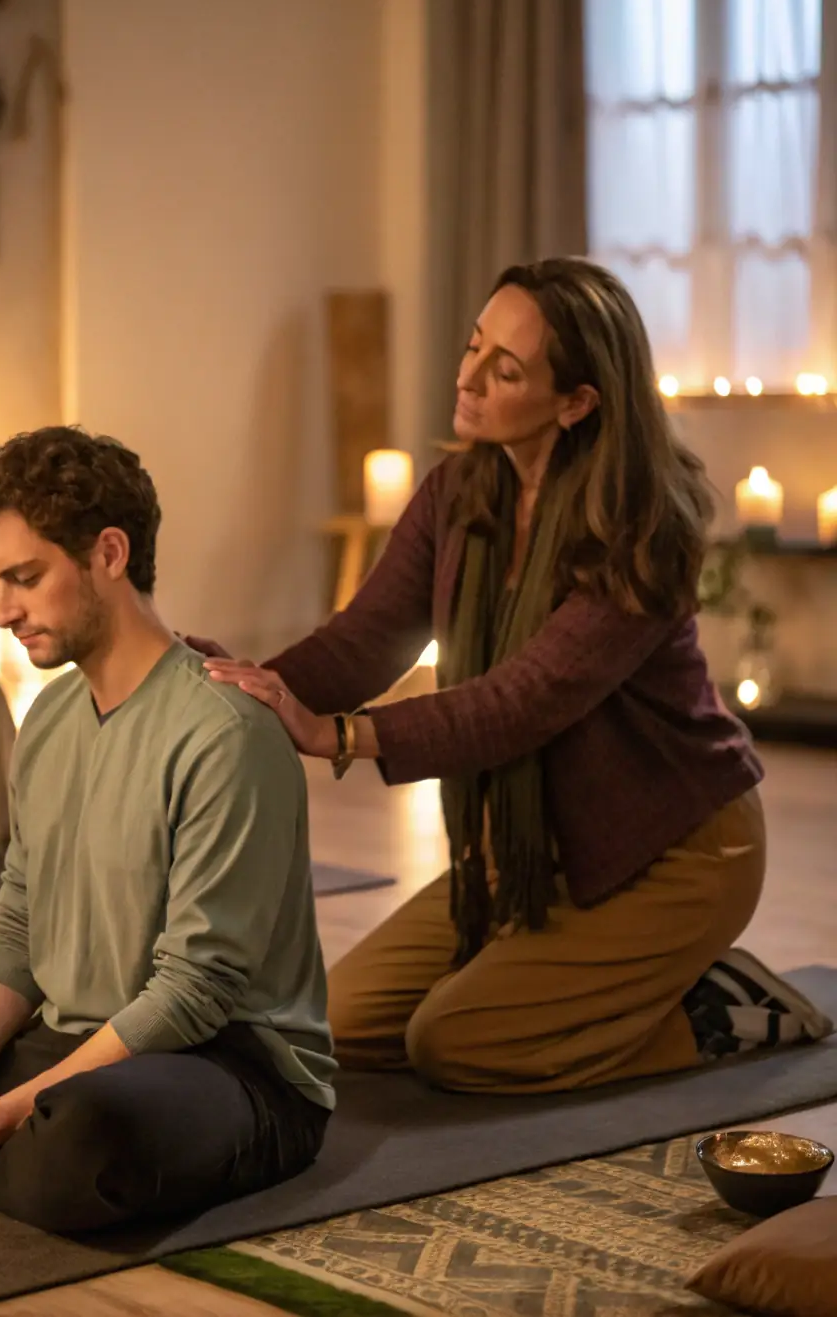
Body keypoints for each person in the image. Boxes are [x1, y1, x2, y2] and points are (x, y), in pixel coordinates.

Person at [196, 257, 833, 1094]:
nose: (467, 378)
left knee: (459, 1044)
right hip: (532, 852)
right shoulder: (459, 491)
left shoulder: (641, 526)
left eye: (506, 369)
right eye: (472, 346)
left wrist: (342, 734)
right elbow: (363, 642)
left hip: (677, 851)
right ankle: (605, 994)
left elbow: (522, 702)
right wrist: (237, 685)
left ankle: (720, 1008)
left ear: (577, 403)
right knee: (337, 1020)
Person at [0, 426, 333, 1232]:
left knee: (83, 1140)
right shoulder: (48, 718)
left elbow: (195, 993)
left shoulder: (227, 732)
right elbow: (18, 929)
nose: (1, 611)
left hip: (226, 1070)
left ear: (110, 554)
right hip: (67, 1052)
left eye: (24, 577)